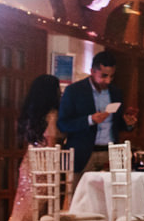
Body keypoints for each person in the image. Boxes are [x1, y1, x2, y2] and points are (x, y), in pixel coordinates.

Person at [0, 74, 62, 221]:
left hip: (29, 162)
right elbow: (51, 142)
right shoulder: (51, 114)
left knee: (23, 209)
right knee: (42, 211)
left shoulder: (31, 113)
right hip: (46, 164)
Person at [58, 50, 138, 185]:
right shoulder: (74, 91)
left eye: (111, 76)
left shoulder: (116, 92)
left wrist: (128, 123)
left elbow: (117, 124)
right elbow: (63, 124)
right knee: (81, 198)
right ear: (92, 71)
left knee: (111, 197)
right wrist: (90, 120)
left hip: (110, 153)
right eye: (104, 76)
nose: (108, 80)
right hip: (83, 153)